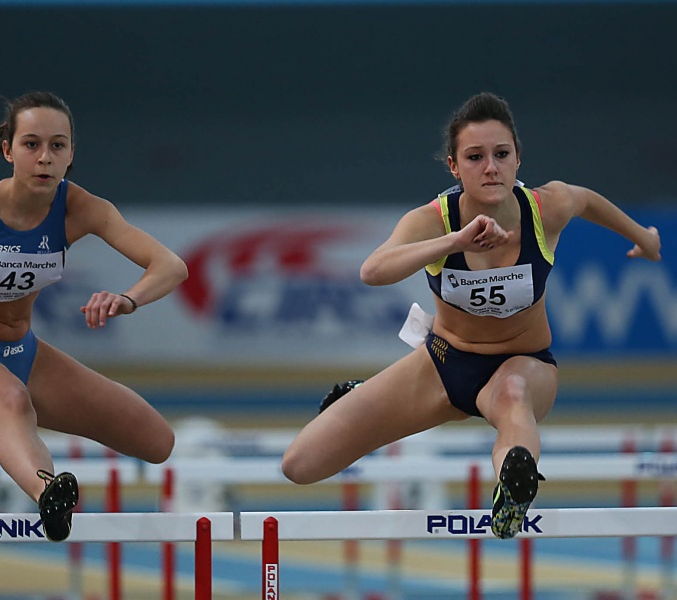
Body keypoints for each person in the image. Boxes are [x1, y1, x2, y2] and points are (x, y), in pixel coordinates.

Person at [281, 92, 661, 539]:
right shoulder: (432, 221)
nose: (491, 168)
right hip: (443, 364)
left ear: (518, 159)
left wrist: (643, 237)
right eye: (475, 157)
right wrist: (455, 242)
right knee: (300, 465)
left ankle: (513, 489)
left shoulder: (546, 208)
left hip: (524, 364)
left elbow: (589, 201)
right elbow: (373, 271)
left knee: (513, 395)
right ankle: (368, 394)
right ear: (454, 167)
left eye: (502, 154)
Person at [0, 91, 188, 542]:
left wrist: (128, 299)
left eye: (57, 146)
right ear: (8, 150)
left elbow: (170, 266)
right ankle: (49, 495)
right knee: (11, 399)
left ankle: (45, 483)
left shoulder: (80, 210)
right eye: (31, 144)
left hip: (24, 355)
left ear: (71, 154)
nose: (44, 158)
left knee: (156, 441)